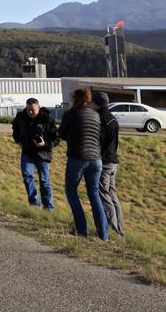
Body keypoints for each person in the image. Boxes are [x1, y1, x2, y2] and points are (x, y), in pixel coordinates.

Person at [57, 87, 109, 240]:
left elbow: (61, 134)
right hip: (96, 159)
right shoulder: (95, 114)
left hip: (78, 157)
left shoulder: (70, 114)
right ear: (89, 99)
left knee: (71, 191)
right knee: (94, 194)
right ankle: (103, 234)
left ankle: (81, 229)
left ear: (75, 98)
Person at [11, 98, 57, 210]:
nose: (30, 112)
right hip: (27, 152)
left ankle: (48, 207)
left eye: (33, 110)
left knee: (44, 180)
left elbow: (56, 138)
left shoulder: (47, 119)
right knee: (27, 175)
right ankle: (34, 203)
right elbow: (15, 130)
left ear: (39, 108)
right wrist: (18, 142)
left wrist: (45, 144)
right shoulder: (21, 117)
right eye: (28, 110)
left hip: (43, 153)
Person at [92, 92, 123, 238]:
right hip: (113, 161)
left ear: (96, 103)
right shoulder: (112, 118)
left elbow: (99, 141)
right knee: (112, 195)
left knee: (104, 196)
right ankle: (120, 228)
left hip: (104, 162)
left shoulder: (100, 118)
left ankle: (113, 230)